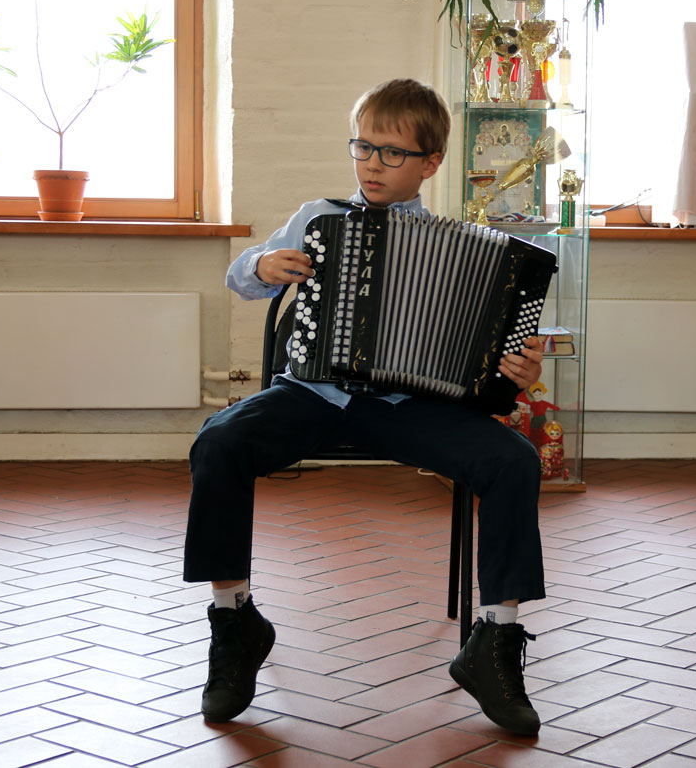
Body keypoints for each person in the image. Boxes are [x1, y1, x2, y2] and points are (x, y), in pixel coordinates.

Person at [183, 78, 546, 736]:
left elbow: (494, 360)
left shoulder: (463, 248)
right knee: (219, 442)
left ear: (430, 163)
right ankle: (235, 622)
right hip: (311, 394)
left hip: (410, 405)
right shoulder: (317, 218)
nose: (373, 165)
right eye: (363, 147)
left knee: (513, 460)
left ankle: (494, 641)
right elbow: (241, 276)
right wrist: (263, 267)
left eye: (392, 153)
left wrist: (517, 366)